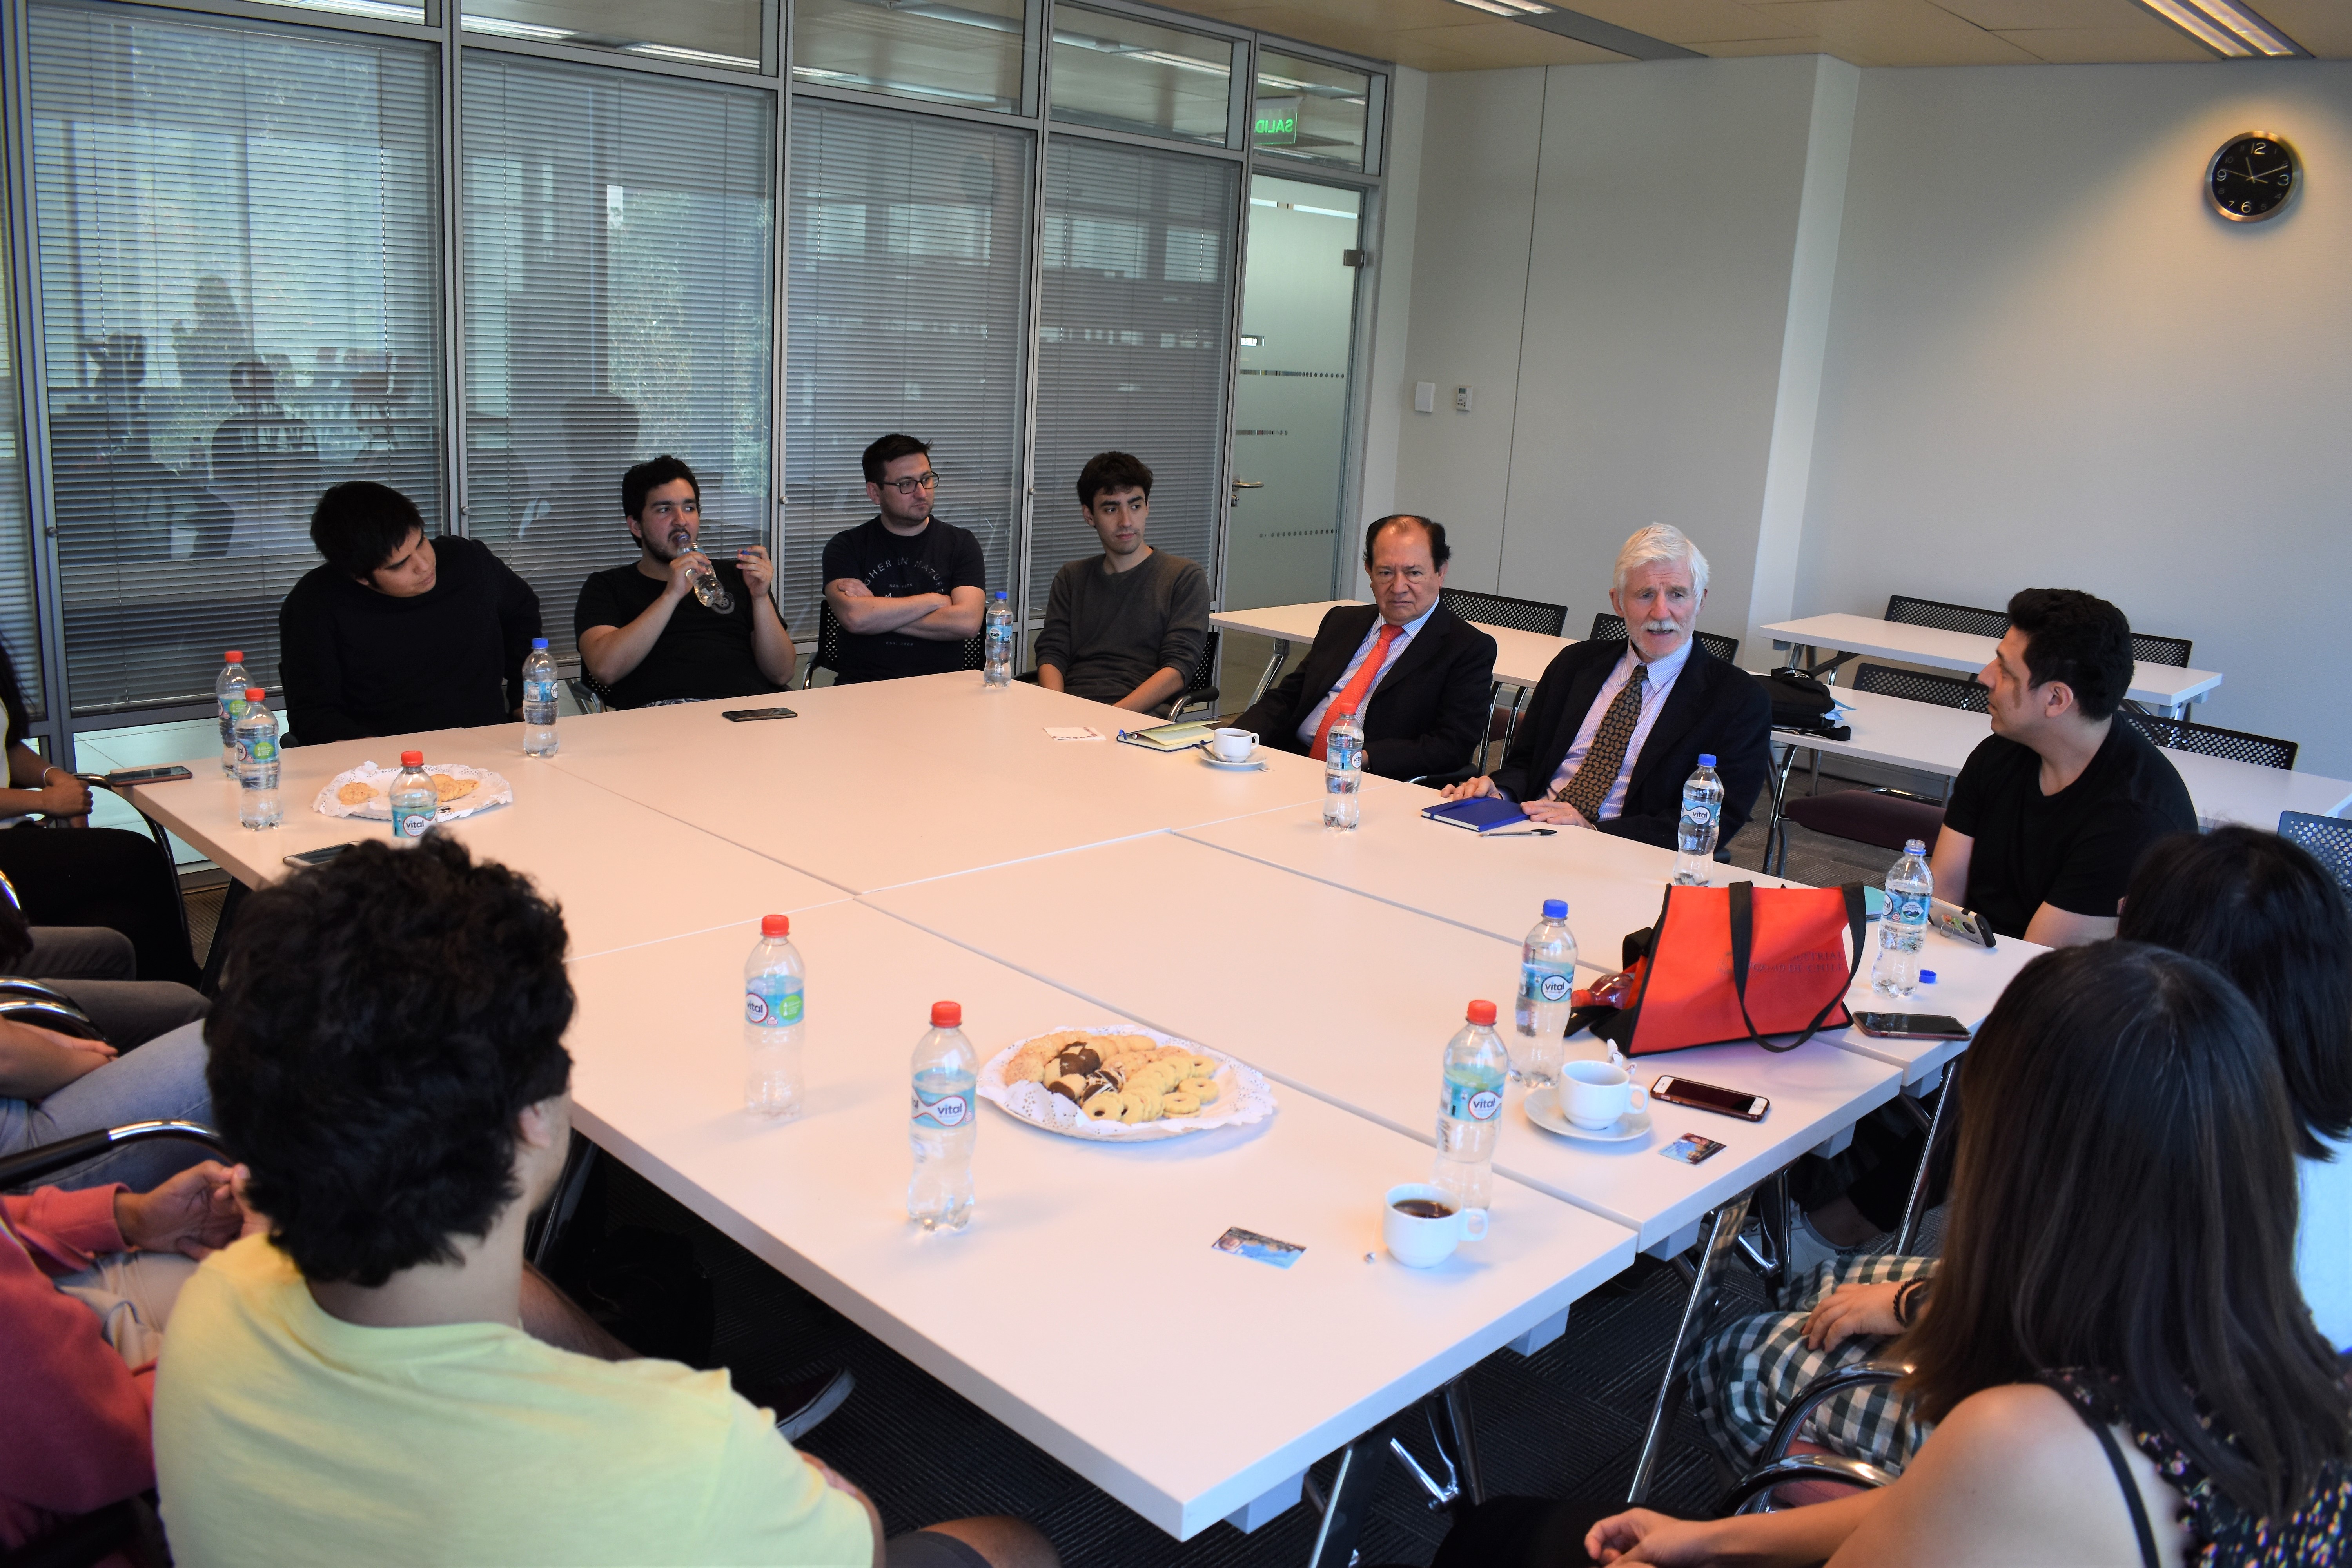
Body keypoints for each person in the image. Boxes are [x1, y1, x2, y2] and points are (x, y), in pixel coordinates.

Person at [153, 835, 1060, 1568]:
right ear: (534, 1119)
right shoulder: (687, 1459)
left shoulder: (216, 1303)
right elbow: (857, 1531)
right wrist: (734, 1446)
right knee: (1013, 1543)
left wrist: (643, 1384)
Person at [1439, 943, 2352, 1566]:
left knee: (1498, 1538)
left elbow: (1982, 1492)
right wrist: (1713, 1539)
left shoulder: (2026, 1439)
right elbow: (1934, 1508)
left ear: (2021, 1168)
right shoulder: (2290, 1362)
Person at [1441, 524, 1769, 848]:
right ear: (1618, 602)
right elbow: (1526, 763)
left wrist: (1593, 832)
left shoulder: (1738, 700)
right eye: (1645, 595)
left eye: (1677, 595)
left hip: (1628, 855)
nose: (1661, 612)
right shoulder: (1574, 665)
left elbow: (1712, 821)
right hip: (1531, 831)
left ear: (1700, 601)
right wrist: (1501, 792)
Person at [2, 1158, 243, 1555]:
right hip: (103, 1487)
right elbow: (108, 1451)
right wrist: (258, 1302)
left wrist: (130, 1218)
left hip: (56, 1280)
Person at [1930, 587, 2194, 946]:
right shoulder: (2000, 752)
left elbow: (2040, 961)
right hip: (1976, 957)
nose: (1985, 677)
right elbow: (1941, 904)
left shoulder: (2134, 820)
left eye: (2006, 671)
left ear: (2056, 699)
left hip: (2061, 976)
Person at [0, 638, 202, 989]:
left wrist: (56, 777)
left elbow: (6, 745)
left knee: (125, 922)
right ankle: (197, 993)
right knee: (137, 857)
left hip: (16, 835)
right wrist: (46, 802)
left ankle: (165, 1006)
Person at [1230, 516, 1496, 781]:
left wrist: (1358, 757)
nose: (1398, 588)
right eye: (1386, 573)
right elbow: (1290, 697)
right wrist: (1235, 738)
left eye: (1414, 573)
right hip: (1290, 762)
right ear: (1370, 572)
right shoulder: (1343, 622)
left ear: (1441, 572)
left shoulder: (1467, 648)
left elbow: (1451, 745)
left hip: (1372, 778)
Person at [278, 482, 543, 744]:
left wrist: (524, 697)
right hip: (384, 755)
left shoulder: (469, 563)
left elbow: (522, 613)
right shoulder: (315, 604)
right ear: (360, 577)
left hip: (487, 743)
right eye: (400, 565)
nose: (424, 565)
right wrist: (366, 751)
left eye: (421, 543)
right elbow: (314, 712)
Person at [575, 455, 796, 706]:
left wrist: (760, 598)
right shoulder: (607, 586)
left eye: (689, 508)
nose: (681, 521)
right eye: (665, 510)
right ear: (636, 526)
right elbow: (605, 670)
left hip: (745, 711)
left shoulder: (737, 575)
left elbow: (782, 673)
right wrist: (671, 596)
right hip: (660, 717)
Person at [1032, 452, 1209, 715]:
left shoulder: (1184, 577)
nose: (1126, 521)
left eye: (1135, 506)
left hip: (1140, 716)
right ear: (1089, 515)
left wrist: (1110, 716)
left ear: (1147, 507)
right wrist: (1057, 710)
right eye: (1111, 509)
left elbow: (1177, 670)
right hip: (1071, 711)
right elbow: (1052, 653)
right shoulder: (1072, 577)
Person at [820, 434, 988, 685]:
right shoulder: (846, 547)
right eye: (906, 484)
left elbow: (967, 623)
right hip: (863, 689)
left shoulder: (961, 544)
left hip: (942, 689)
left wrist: (876, 614)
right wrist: (934, 601)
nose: (921, 493)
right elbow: (855, 618)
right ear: (875, 493)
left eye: (926, 479)